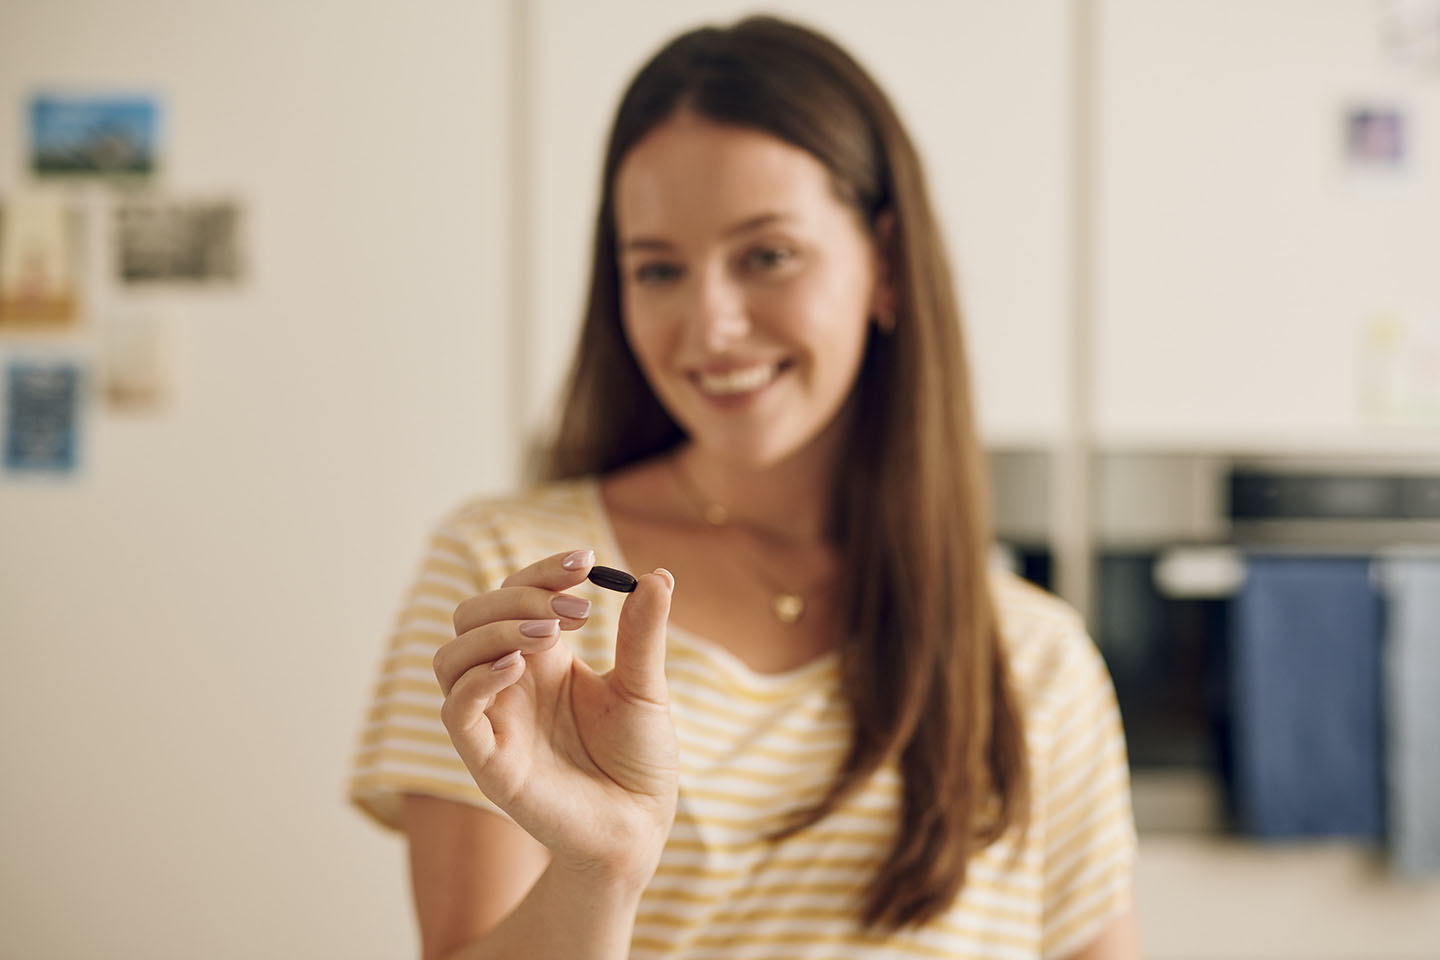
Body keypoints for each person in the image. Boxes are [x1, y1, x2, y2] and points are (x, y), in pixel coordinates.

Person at [350, 15, 1141, 960]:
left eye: (767, 255)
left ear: (884, 267)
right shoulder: (519, 588)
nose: (711, 325)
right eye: (658, 269)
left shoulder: (1035, 660)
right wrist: (596, 868)